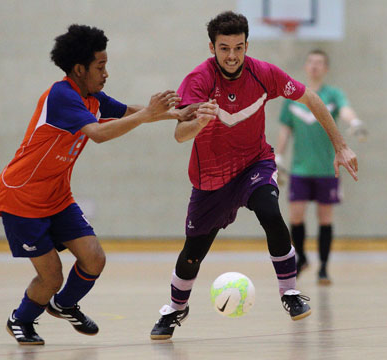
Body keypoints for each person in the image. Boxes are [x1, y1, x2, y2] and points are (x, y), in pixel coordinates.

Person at [149, 12, 359, 340]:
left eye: (238, 47)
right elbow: (179, 134)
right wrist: (198, 123)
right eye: (223, 48)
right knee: (193, 252)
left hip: (254, 165)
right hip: (212, 179)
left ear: (247, 45)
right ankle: (175, 310)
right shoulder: (198, 80)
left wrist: (341, 146)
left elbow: (312, 99)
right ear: (212, 47)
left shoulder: (264, 74)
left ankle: (289, 293)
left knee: (272, 214)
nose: (231, 55)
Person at [0, 24, 194, 345]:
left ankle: (64, 305)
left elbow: (129, 111)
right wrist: (151, 115)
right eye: (101, 66)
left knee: (94, 258)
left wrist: (177, 114)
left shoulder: (92, 97)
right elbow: (98, 134)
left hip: (56, 195)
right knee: (52, 275)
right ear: (79, 69)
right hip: (22, 199)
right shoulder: (62, 95)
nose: (106, 73)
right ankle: (21, 319)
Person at [275, 49, 367, 285]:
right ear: (306, 66)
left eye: (320, 63)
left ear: (326, 69)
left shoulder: (333, 95)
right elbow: (286, 129)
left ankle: (324, 268)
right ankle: (302, 258)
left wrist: (354, 121)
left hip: (327, 169)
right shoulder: (293, 96)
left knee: (325, 218)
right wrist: (279, 157)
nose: (315, 66)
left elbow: (345, 110)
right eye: (311, 62)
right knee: (295, 216)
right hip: (299, 169)